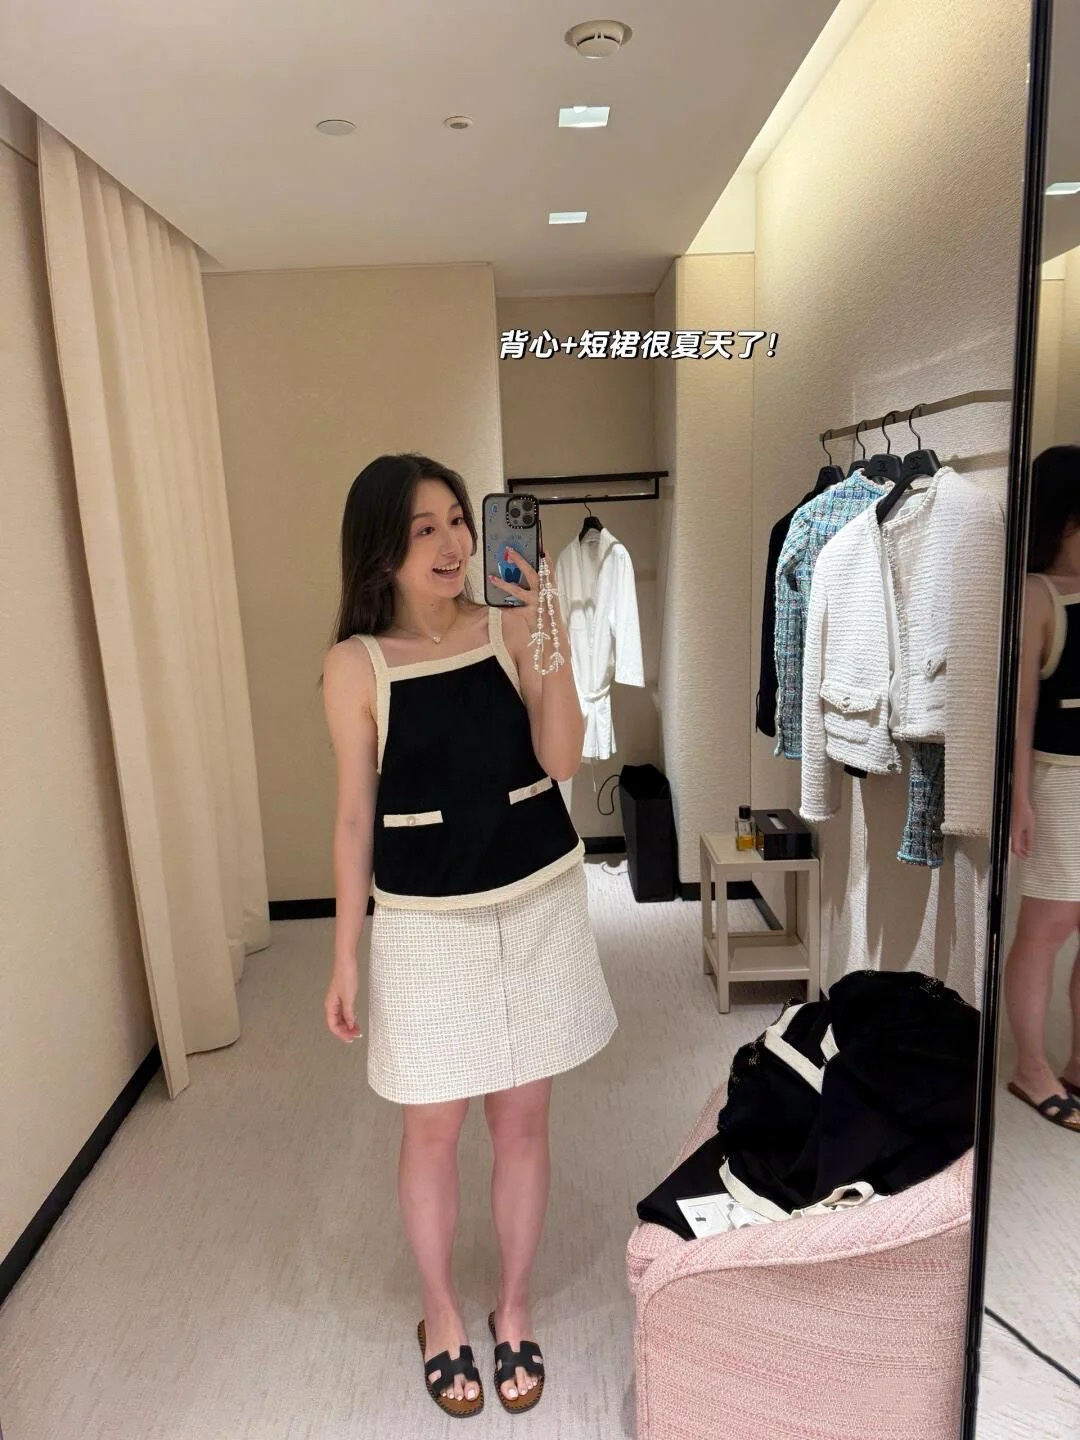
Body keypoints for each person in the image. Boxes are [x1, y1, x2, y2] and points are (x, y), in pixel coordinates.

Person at [319, 454, 618, 1416]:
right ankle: (440, 1312)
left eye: (459, 520)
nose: (453, 544)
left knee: (521, 1120)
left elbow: (562, 757)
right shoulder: (356, 666)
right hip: (424, 924)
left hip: (536, 899)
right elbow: (354, 819)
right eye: (426, 529)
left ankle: (513, 1305)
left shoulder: (508, 626)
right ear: (382, 552)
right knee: (432, 1127)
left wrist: (548, 626)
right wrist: (344, 954)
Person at [1006, 444, 1080, 1131]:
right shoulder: (1036, 593)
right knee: (1047, 927)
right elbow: (1022, 709)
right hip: (1061, 782)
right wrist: (1020, 796)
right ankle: (1031, 1069)